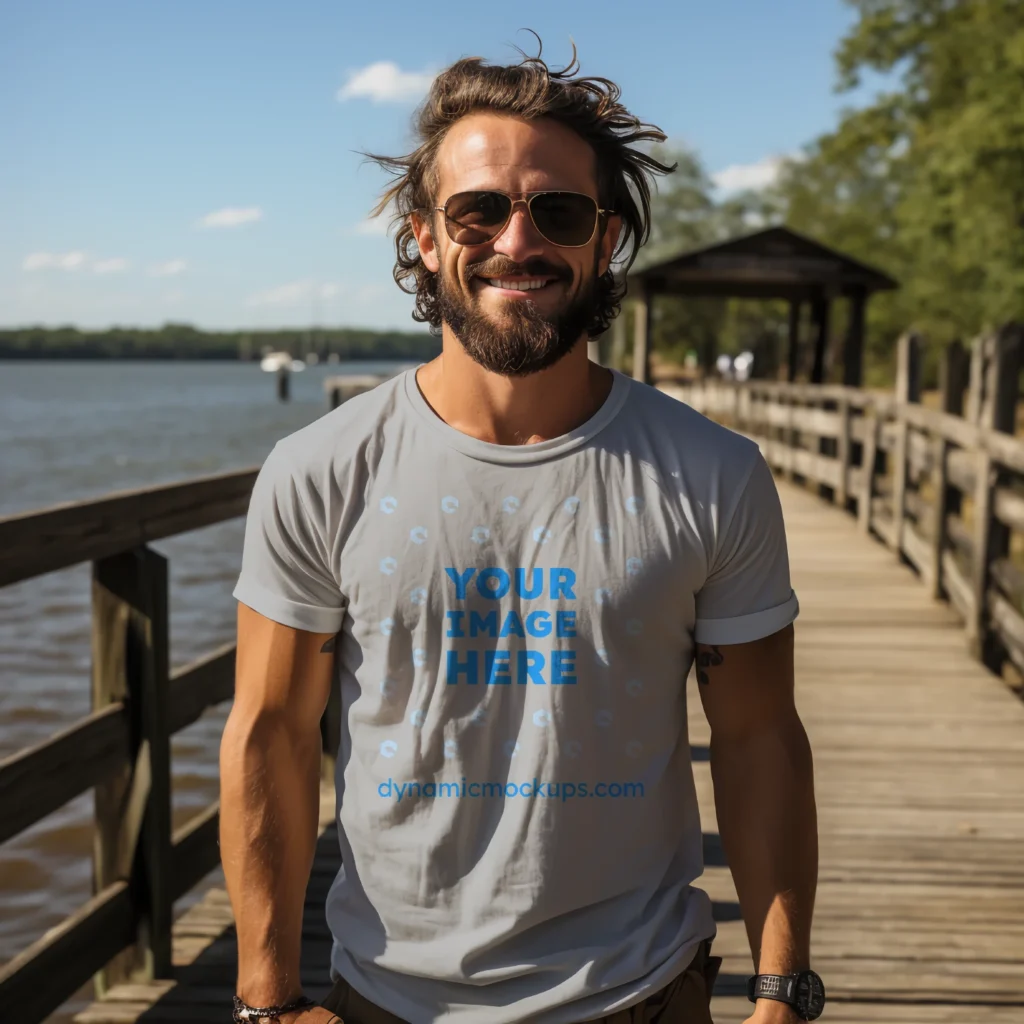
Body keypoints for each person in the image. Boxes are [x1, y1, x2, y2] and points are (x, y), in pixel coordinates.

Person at [222, 37, 820, 1024]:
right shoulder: (320, 471)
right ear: (423, 234)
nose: (517, 239)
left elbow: (758, 737)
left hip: (637, 990)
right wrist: (265, 1000)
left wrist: (782, 988)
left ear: (605, 236)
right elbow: (270, 735)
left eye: (558, 210)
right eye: (479, 209)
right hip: (385, 996)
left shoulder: (714, 475)